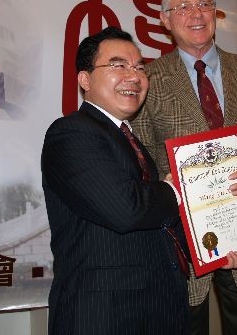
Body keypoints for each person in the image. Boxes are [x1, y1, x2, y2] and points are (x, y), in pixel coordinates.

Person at [131, 0, 237, 335]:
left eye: (204, 4)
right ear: (165, 19)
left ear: (215, 13)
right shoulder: (147, 80)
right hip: (179, 248)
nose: (196, 14)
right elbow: (140, 164)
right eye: (183, 7)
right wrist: (164, 188)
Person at [42, 26, 197, 334]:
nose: (134, 76)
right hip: (105, 316)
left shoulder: (129, 138)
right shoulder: (71, 133)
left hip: (157, 309)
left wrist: (211, 250)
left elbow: (160, 223)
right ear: (85, 80)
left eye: (140, 68)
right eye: (118, 65)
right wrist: (174, 189)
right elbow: (126, 209)